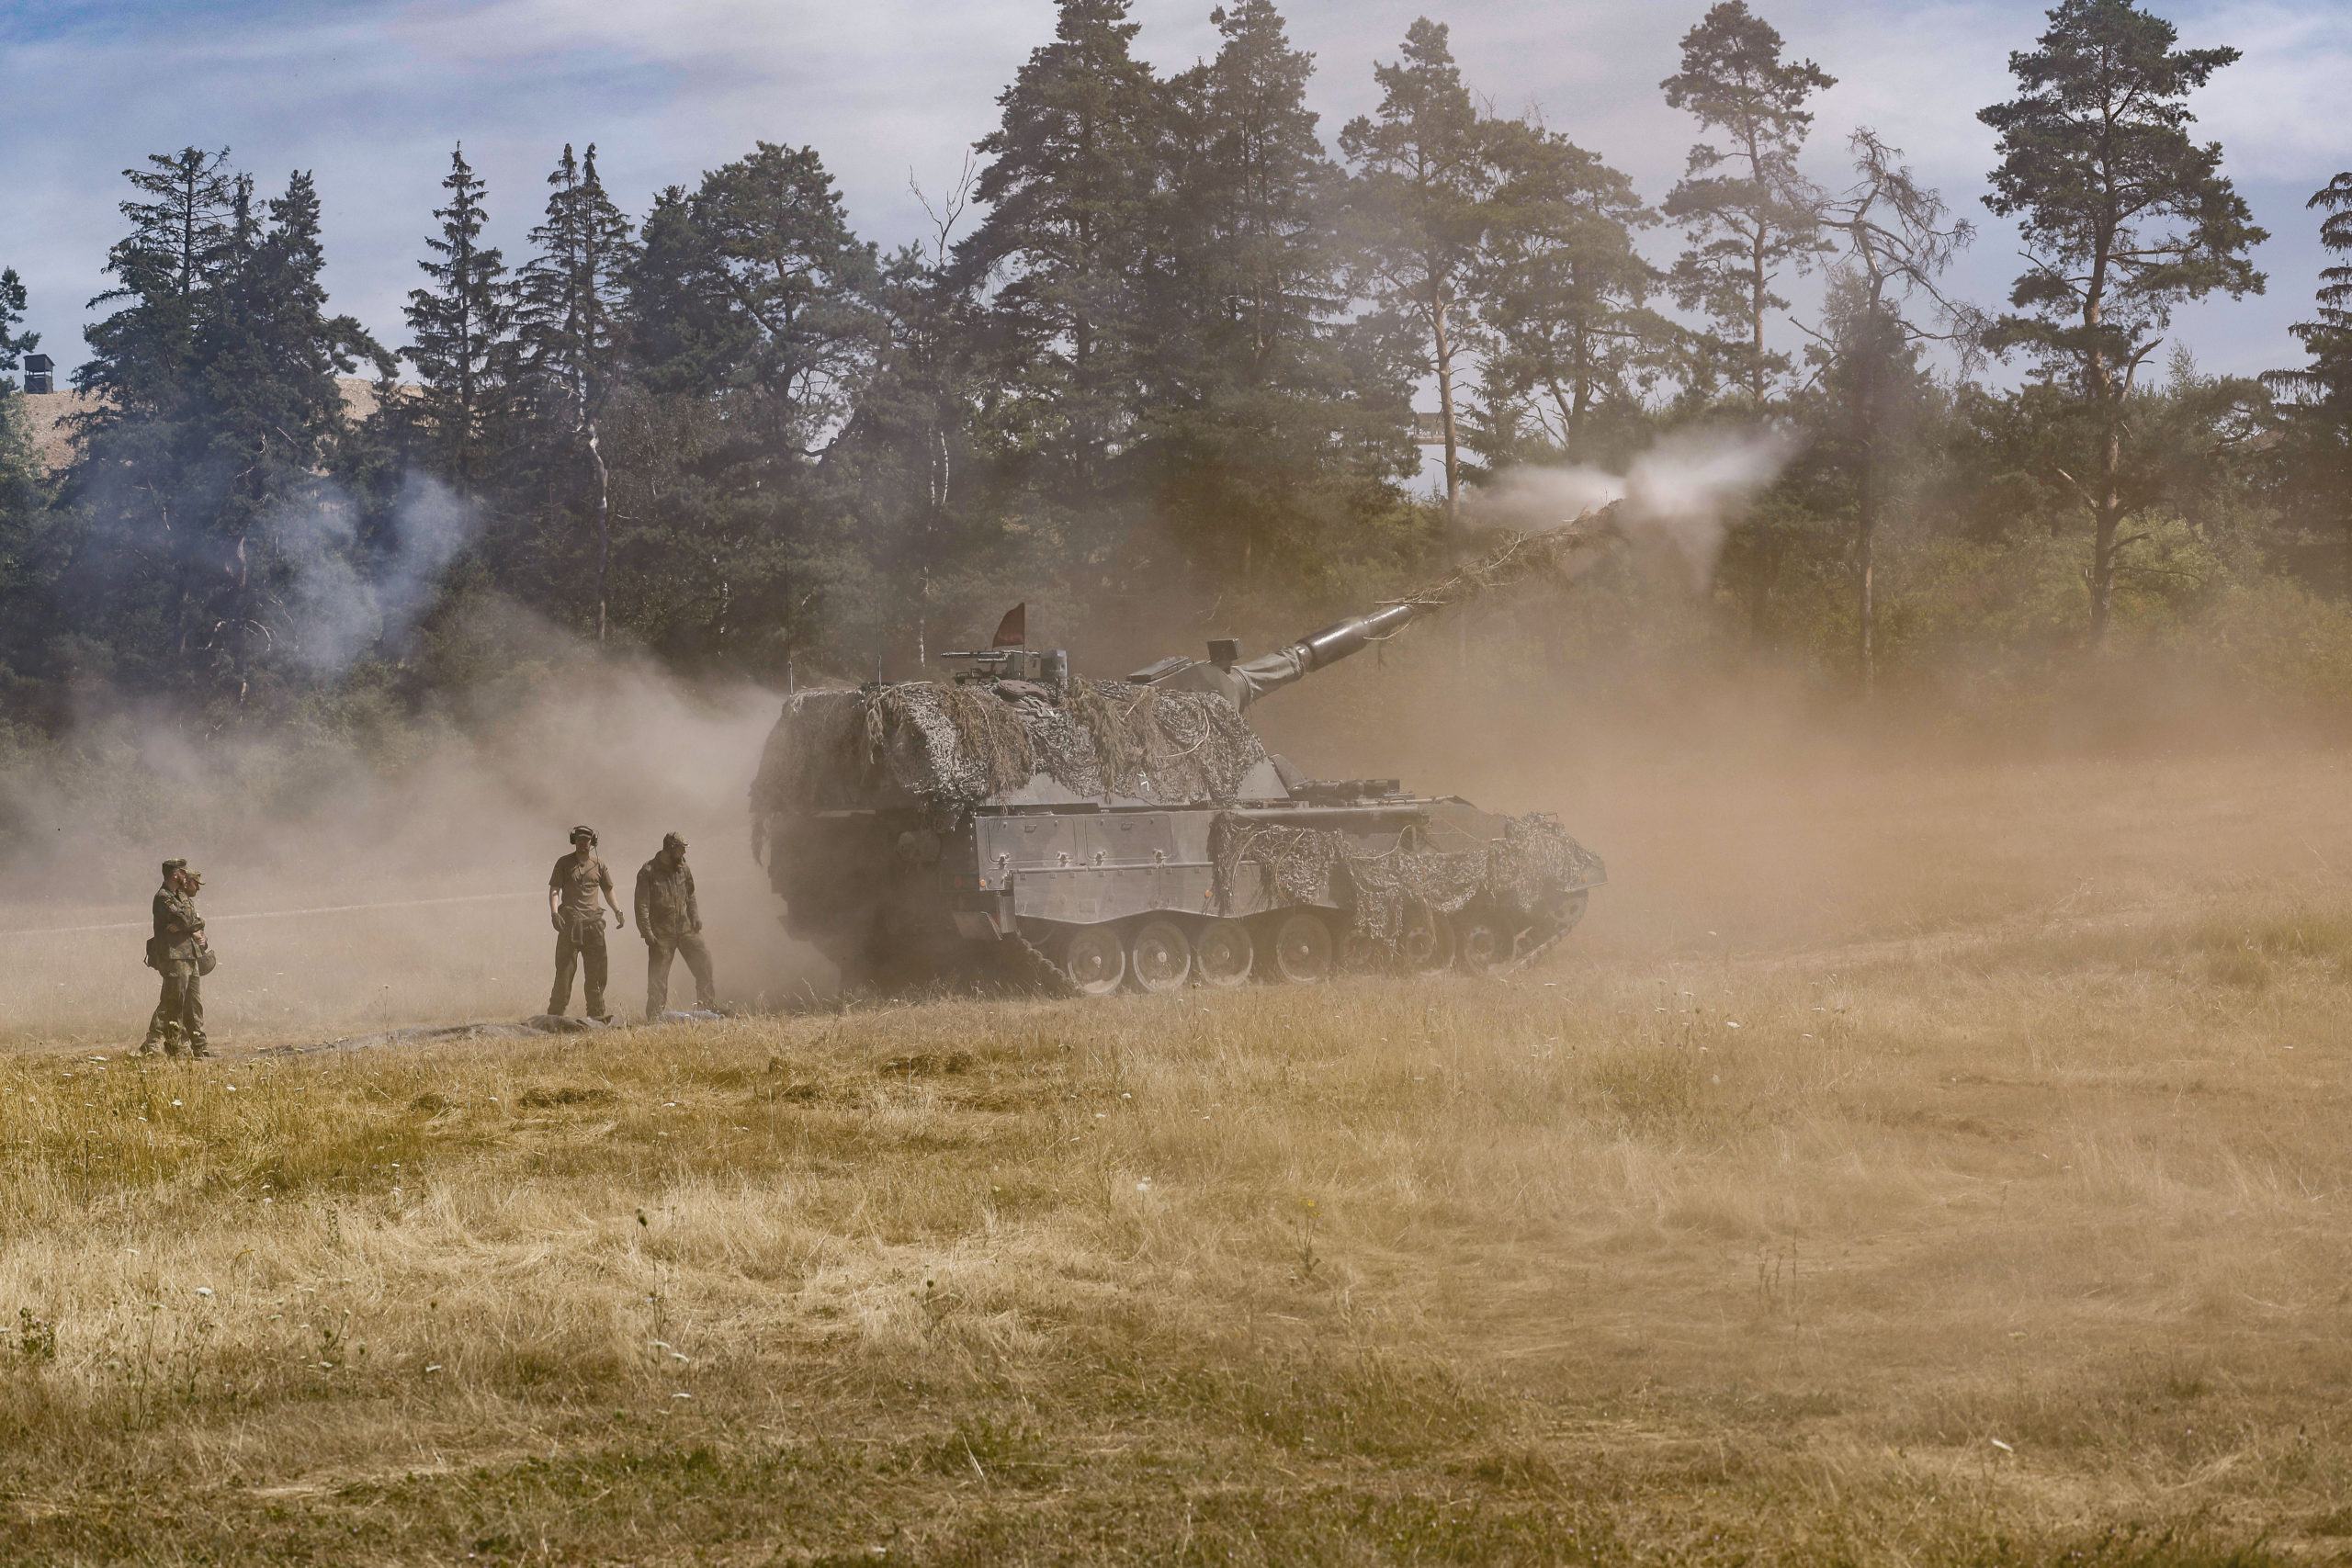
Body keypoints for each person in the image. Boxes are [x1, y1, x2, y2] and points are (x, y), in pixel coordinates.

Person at [636, 831, 717, 1018]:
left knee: (704, 963)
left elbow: (690, 894)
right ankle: (655, 1017)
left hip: (686, 928)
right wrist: (646, 931)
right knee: (658, 977)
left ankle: (706, 1010)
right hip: (661, 933)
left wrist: (694, 915)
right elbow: (641, 904)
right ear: (669, 848)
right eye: (680, 849)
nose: (683, 854)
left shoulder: (683, 868)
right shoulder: (648, 871)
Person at [547, 825, 624, 1019]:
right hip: (570, 925)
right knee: (564, 973)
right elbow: (555, 889)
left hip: (593, 925)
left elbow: (608, 890)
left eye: (586, 840)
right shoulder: (563, 863)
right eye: (579, 840)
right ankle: (555, 1016)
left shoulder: (599, 864)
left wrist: (617, 911)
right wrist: (554, 913)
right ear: (574, 841)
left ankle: (596, 1016)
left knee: (597, 974)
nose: (583, 843)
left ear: (592, 842)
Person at [141, 859, 210, 1058]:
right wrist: (187, 924)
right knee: (172, 1001)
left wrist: (184, 926)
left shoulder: (180, 896)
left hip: (189, 955)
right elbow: (188, 919)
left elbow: (197, 920)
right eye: (183, 873)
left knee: (193, 1003)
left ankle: (197, 1046)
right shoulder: (163, 897)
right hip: (174, 956)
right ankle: (154, 1043)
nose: (186, 876)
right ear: (175, 874)